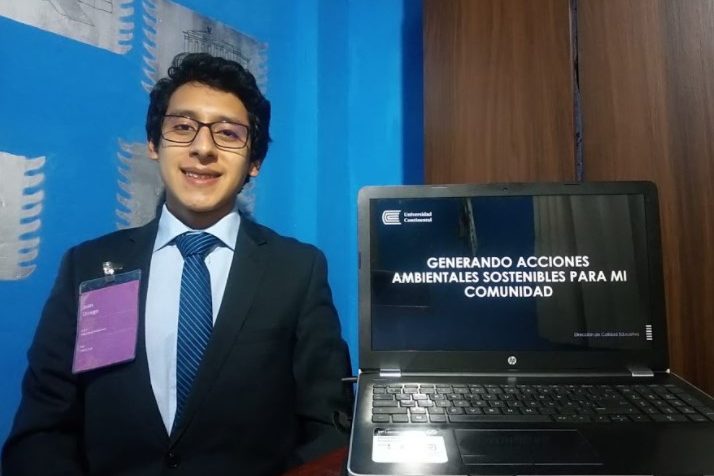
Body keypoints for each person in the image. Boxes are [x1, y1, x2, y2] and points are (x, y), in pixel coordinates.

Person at [2, 52, 354, 476]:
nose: (203, 148)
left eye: (228, 133)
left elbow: (329, 428)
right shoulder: (88, 266)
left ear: (254, 162)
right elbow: (42, 430)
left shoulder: (297, 270)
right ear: (154, 144)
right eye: (183, 127)